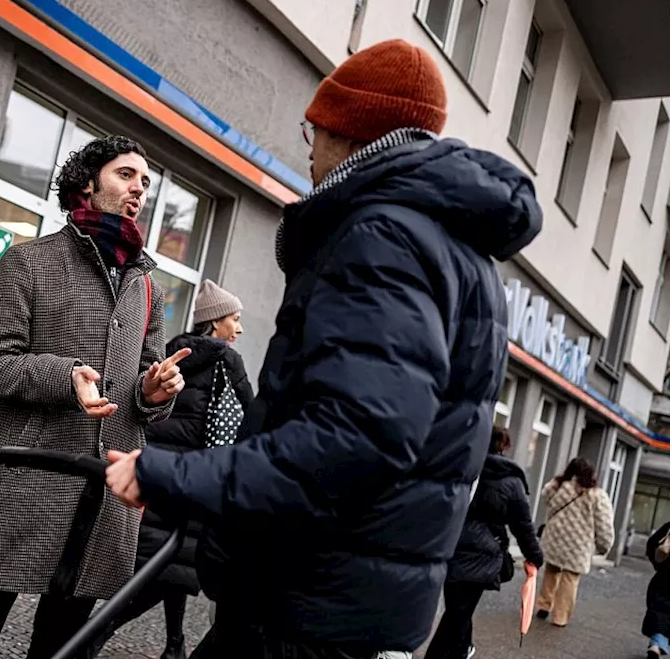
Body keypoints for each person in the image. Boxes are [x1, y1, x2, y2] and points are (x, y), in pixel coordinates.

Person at [103, 38, 543, 659]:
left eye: (313, 131)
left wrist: (168, 474)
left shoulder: (382, 235)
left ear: (346, 131)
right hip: (342, 600)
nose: (309, 153)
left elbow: (356, 439)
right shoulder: (462, 254)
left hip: (306, 605)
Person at [0, 135, 191, 659]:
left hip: (102, 494)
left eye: (145, 182)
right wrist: (66, 376)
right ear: (86, 183)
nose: (138, 189)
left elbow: (147, 374)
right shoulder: (29, 261)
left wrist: (153, 391)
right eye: (126, 175)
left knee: (62, 643)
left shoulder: (146, 283)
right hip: (28, 481)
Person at [87, 280, 254, 659]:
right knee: (171, 567)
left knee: (171, 563)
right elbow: (249, 417)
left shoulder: (173, 354)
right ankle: (94, 635)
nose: (239, 328)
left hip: (160, 470)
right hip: (194, 476)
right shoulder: (227, 361)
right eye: (234, 319)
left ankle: (174, 645)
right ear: (214, 324)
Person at [426, 426, 544, 659]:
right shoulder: (510, 481)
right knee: (456, 617)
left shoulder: (463, 468)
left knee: (458, 610)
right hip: (480, 554)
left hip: (450, 547)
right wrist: (535, 556)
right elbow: (522, 524)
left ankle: (463, 650)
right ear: (504, 446)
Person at [535, 457, 615, 628]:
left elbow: (545, 497)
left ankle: (543, 605)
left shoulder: (558, 486)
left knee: (551, 570)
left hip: (555, 538)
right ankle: (560, 617)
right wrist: (604, 546)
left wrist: (559, 480)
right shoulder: (596, 495)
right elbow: (604, 524)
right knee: (570, 579)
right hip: (579, 545)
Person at [645, 520, 670, 658]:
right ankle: (658, 644)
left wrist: (658, 564)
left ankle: (656, 644)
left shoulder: (669, 526)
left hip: (664, 578)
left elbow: (652, 544)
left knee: (659, 610)